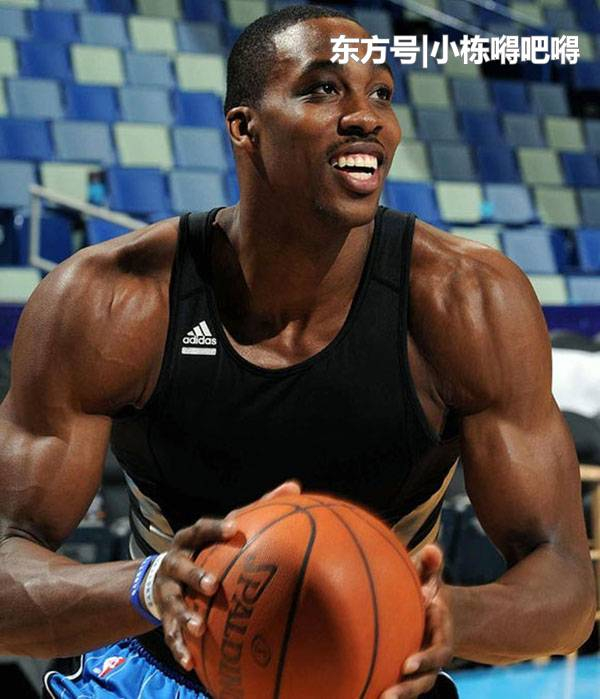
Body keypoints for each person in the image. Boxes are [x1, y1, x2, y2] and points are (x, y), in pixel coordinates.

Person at [0, 5, 595, 699]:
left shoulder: (469, 301)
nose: (366, 116)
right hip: (164, 670)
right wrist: (147, 584)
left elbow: (567, 589)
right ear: (244, 127)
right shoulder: (109, 300)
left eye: (381, 93)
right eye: (322, 89)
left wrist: (438, 613)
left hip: (376, 673)